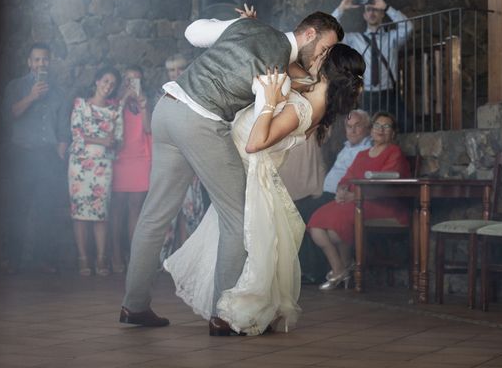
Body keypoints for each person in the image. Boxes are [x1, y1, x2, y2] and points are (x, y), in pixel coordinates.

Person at [120, 9, 344, 335]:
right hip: (199, 122)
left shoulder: (246, 26)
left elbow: (193, 33)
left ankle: (134, 305)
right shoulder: (278, 67)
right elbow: (260, 116)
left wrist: (236, 26)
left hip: (167, 108)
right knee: (238, 220)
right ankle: (222, 315)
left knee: (153, 216)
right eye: (325, 47)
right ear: (310, 34)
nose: (324, 55)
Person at [165, 44, 364, 335]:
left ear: (328, 69)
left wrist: (269, 101)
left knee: (248, 243)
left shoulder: (303, 108)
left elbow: (256, 143)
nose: (315, 56)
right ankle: (239, 309)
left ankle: (236, 310)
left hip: (249, 167)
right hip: (248, 169)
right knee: (249, 243)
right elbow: (295, 70)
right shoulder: (314, 92)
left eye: (322, 55)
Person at [307, 111, 410, 290]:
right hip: (356, 202)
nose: (381, 130)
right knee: (316, 223)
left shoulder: (394, 152)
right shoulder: (362, 155)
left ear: (393, 133)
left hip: (381, 205)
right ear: (371, 130)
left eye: (387, 127)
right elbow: (347, 177)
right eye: (378, 126)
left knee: (335, 228)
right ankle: (340, 269)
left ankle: (342, 270)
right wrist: (341, 191)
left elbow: (387, 185)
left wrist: (354, 196)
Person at [1, 42, 71, 274]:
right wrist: (31, 96)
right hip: (21, 154)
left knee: (46, 209)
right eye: (37, 60)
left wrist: (60, 156)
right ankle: (12, 260)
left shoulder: (59, 92)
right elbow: (9, 114)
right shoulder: (16, 86)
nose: (41, 63)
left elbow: (62, 129)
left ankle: (43, 259)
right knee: (17, 207)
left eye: (45, 59)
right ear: (29, 62)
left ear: (50, 62)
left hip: (48, 156)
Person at [293, 109, 372, 283]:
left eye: (357, 126)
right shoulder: (347, 147)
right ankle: (307, 268)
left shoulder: (367, 149)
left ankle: (315, 271)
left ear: (367, 127)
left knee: (304, 213)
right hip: (327, 193)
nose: (352, 131)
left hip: (339, 197)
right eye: (349, 127)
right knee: (297, 210)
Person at [68, 67, 123, 277]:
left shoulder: (114, 110)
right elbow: (76, 133)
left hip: (103, 165)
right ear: (97, 80)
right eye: (105, 81)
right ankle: (83, 259)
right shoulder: (80, 104)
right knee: (80, 212)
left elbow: (119, 140)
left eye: (112, 84)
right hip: (80, 163)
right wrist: (102, 140)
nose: (108, 86)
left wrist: (112, 143)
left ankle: (101, 258)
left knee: (101, 213)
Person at [332, 0, 413, 126]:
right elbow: (330, 34)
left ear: (382, 14)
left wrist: (386, 7)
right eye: (368, 10)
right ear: (364, 15)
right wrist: (341, 8)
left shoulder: (392, 38)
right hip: (366, 95)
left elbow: (408, 27)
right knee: (367, 130)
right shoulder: (354, 39)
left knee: (399, 127)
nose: (372, 13)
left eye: (376, 9)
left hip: (389, 94)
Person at [158, 53, 210, 264]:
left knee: (191, 213)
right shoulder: (162, 97)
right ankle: (167, 260)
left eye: (179, 69)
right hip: (169, 164)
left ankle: (189, 260)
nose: (175, 74)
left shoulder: (198, 95)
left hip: (192, 161)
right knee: (168, 213)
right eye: (171, 70)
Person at [109, 66, 152, 274]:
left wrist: (143, 105)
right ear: (123, 82)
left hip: (140, 158)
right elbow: (111, 125)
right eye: (129, 79)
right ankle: (116, 254)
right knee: (117, 208)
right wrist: (124, 100)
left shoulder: (144, 102)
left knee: (136, 207)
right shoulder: (115, 103)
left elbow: (148, 128)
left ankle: (134, 256)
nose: (132, 83)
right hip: (119, 158)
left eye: (136, 80)